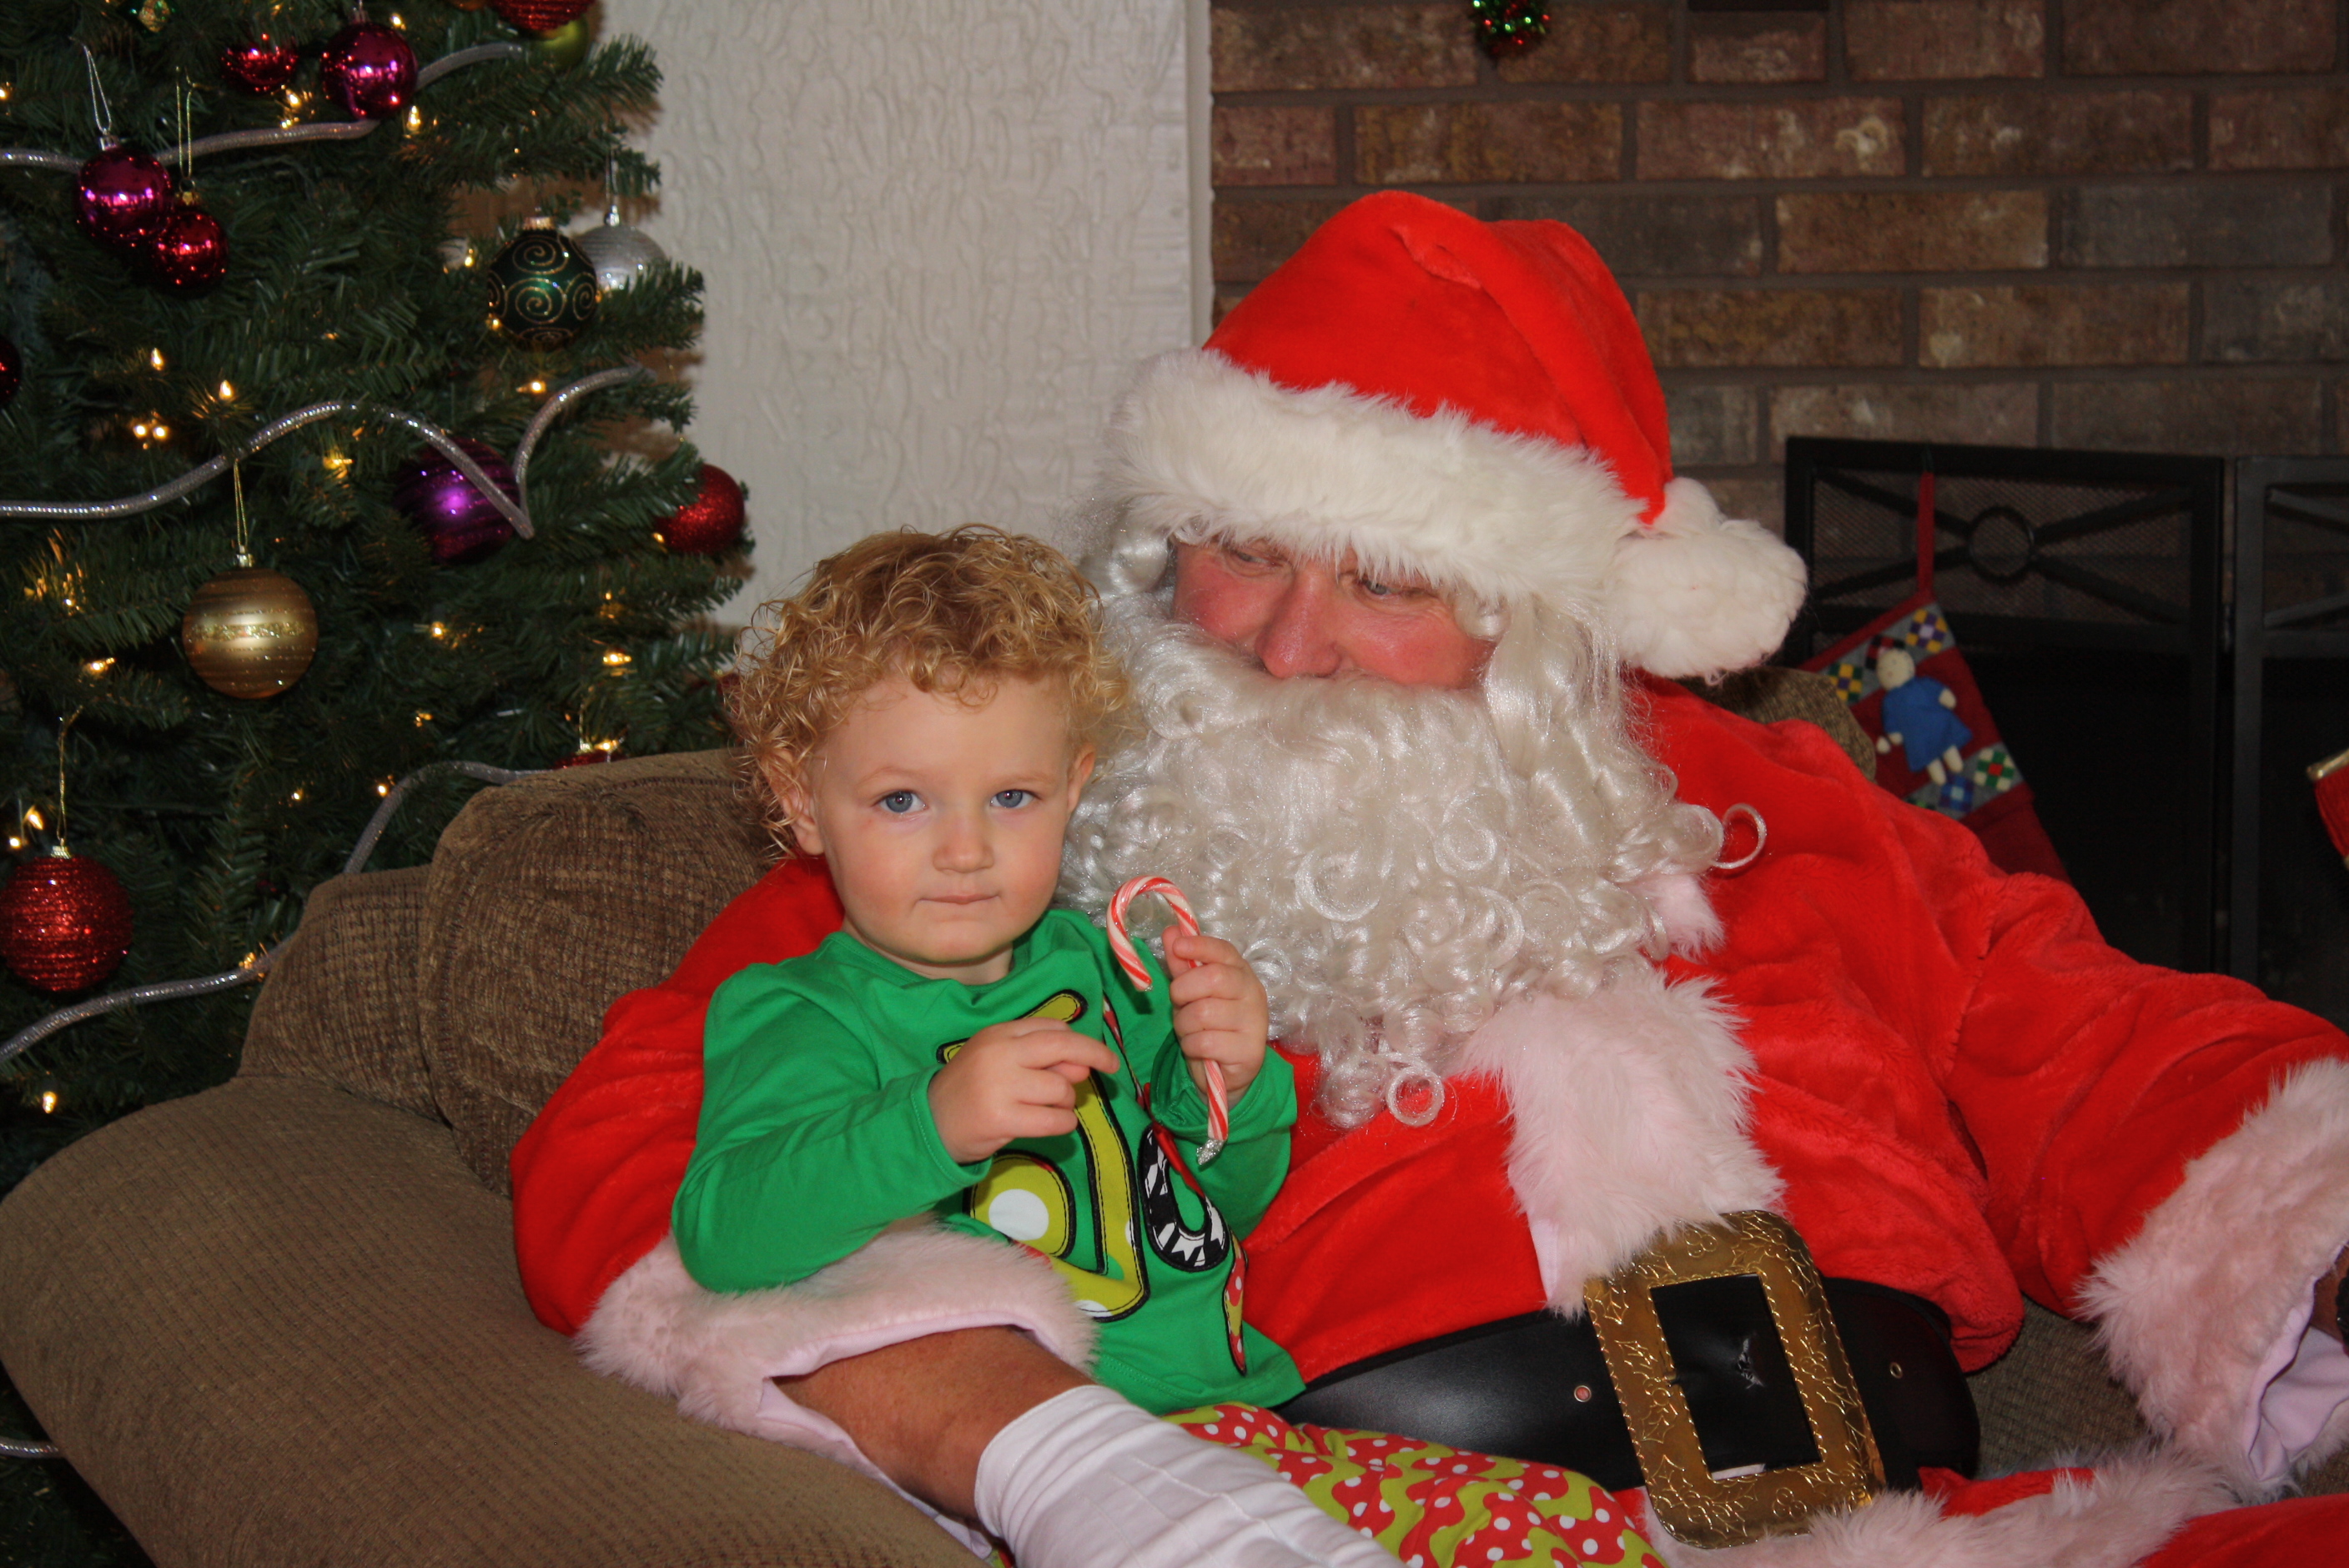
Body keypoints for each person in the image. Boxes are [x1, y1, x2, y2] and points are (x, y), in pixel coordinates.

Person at [511, 193, 2349, 1566]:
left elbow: (2110, 1052)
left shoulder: (1782, 807)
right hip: (1362, 1518)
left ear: (1538, 618)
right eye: (1240, 550)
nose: (1287, 643)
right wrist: (1070, 1460)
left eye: (1386, 580)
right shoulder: (1006, 839)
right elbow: (640, 1153)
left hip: (1919, 1529)